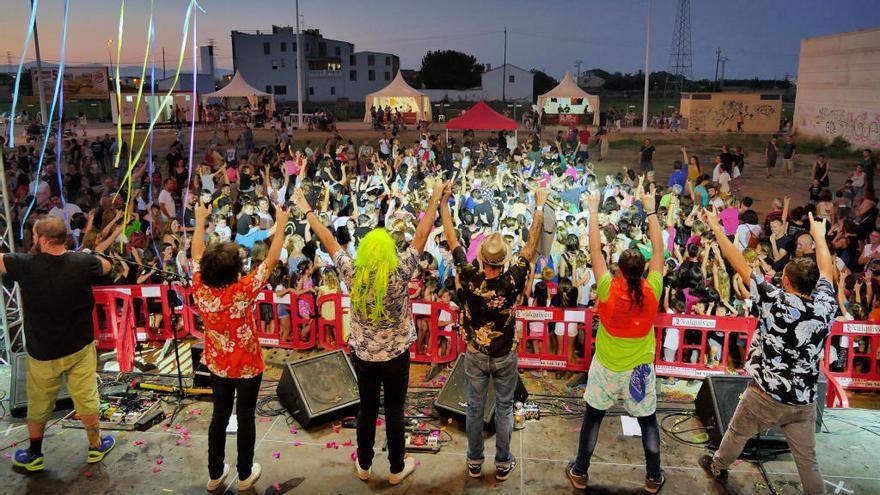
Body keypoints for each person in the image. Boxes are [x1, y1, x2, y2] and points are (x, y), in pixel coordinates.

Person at [291, 180, 447, 485]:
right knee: (394, 410)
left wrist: (307, 209)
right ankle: (395, 468)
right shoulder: (400, 270)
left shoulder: (353, 271)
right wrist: (435, 197)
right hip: (396, 356)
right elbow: (421, 234)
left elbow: (327, 239)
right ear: (389, 251)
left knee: (366, 409)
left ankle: (363, 464)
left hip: (363, 356)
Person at [698, 209, 837, 495]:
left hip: (765, 396)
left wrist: (716, 227)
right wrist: (820, 238)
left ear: (786, 282)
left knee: (737, 434)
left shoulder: (775, 301)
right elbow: (826, 269)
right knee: (808, 462)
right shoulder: (826, 305)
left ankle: (718, 466)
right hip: (803, 400)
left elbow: (739, 264)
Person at [440, 184, 548, 482]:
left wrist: (444, 203)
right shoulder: (514, 279)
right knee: (503, 409)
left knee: (474, 408)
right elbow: (530, 247)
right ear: (503, 261)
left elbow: (451, 239)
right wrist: (538, 206)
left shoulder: (469, 275)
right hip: (504, 354)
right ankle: (502, 463)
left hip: (475, 353)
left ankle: (474, 462)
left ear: (483, 259)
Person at [566, 183, 666, 494]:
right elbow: (661, 251)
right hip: (639, 370)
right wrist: (651, 210)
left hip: (607, 368)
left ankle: (580, 472)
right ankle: (652, 478)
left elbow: (594, 251)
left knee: (593, 419)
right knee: (648, 421)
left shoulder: (608, 287)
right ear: (643, 270)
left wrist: (594, 211)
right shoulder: (653, 290)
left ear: (619, 269)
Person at [1, 217, 115, 473]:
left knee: (39, 402)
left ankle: (34, 453)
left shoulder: (24, 264)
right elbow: (108, 267)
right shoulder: (83, 262)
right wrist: (90, 256)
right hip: (79, 347)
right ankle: (96, 445)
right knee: (86, 396)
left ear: (41, 238)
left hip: (44, 352)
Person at [191, 200, 290, 492]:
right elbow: (270, 261)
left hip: (218, 363)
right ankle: (245, 475)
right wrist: (281, 222)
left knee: (219, 416)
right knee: (245, 416)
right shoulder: (242, 290)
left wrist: (200, 220)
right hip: (247, 364)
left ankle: (214, 473)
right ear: (236, 269)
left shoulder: (199, 284)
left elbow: (196, 253)